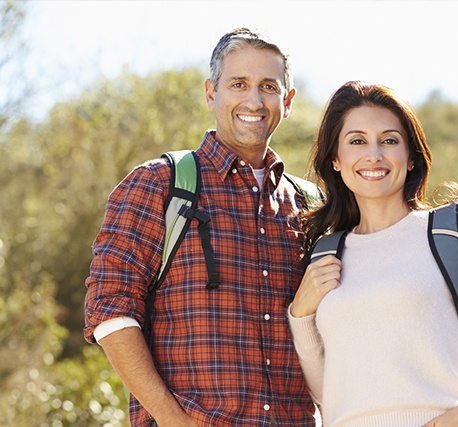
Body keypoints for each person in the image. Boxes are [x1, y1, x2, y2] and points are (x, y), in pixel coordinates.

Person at [84, 28, 318, 427]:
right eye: (238, 84)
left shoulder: (312, 205)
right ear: (211, 93)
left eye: (268, 86)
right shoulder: (158, 184)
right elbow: (111, 311)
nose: (254, 101)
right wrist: (172, 419)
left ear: (288, 100)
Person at [287, 81, 458, 427]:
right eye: (357, 141)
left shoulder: (455, 231)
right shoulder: (325, 254)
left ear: (410, 157)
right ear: (336, 160)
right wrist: (301, 316)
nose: (374, 155)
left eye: (389, 140)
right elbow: (327, 395)